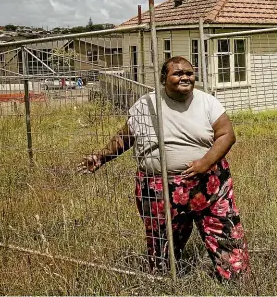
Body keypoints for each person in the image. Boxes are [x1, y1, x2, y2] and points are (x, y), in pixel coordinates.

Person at [77, 56, 250, 281]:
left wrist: (204, 163)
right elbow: (124, 138)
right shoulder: (146, 104)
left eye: (189, 73)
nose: (185, 77)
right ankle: (167, 283)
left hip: (209, 184)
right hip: (159, 189)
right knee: (164, 245)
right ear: (163, 78)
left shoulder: (207, 102)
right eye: (178, 73)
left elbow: (227, 135)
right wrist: (100, 157)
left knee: (225, 233)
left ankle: (234, 279)